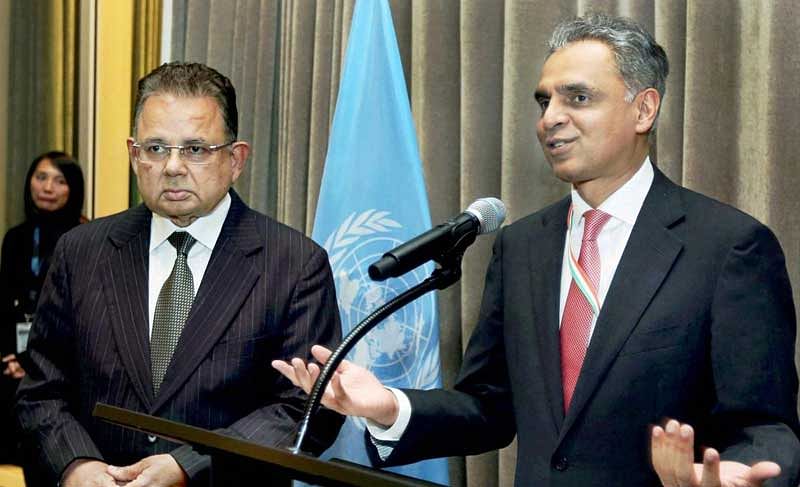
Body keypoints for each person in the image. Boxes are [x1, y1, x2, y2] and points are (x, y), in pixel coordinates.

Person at [273, 13, 800, 487]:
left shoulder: (728, 246)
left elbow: (764, 426)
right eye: (544, 100)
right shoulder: (521, 245)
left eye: (578, 98)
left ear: (644, 109)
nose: (550, 117)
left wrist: (740, 478)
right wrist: (389, 406)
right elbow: (489, 406)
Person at [15, 62, 344, 487]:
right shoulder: (81, 252)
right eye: (155, 148)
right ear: (134, 155)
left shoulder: (295, 264)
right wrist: (75, 465)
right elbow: (42, 390)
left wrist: (190, 466)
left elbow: (307, 406)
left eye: (195, 150)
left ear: (236, 159)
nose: (172, 166)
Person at [0, 152, 84, 465]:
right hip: (15, 361)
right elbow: (5, 298)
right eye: (41, 177)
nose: (47, 187)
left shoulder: (82, 238)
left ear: (74, 189)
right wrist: (9, 355)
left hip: (59, 363)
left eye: (59, 181)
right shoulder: (16, 238)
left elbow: (78, 313)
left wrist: (29, 360)